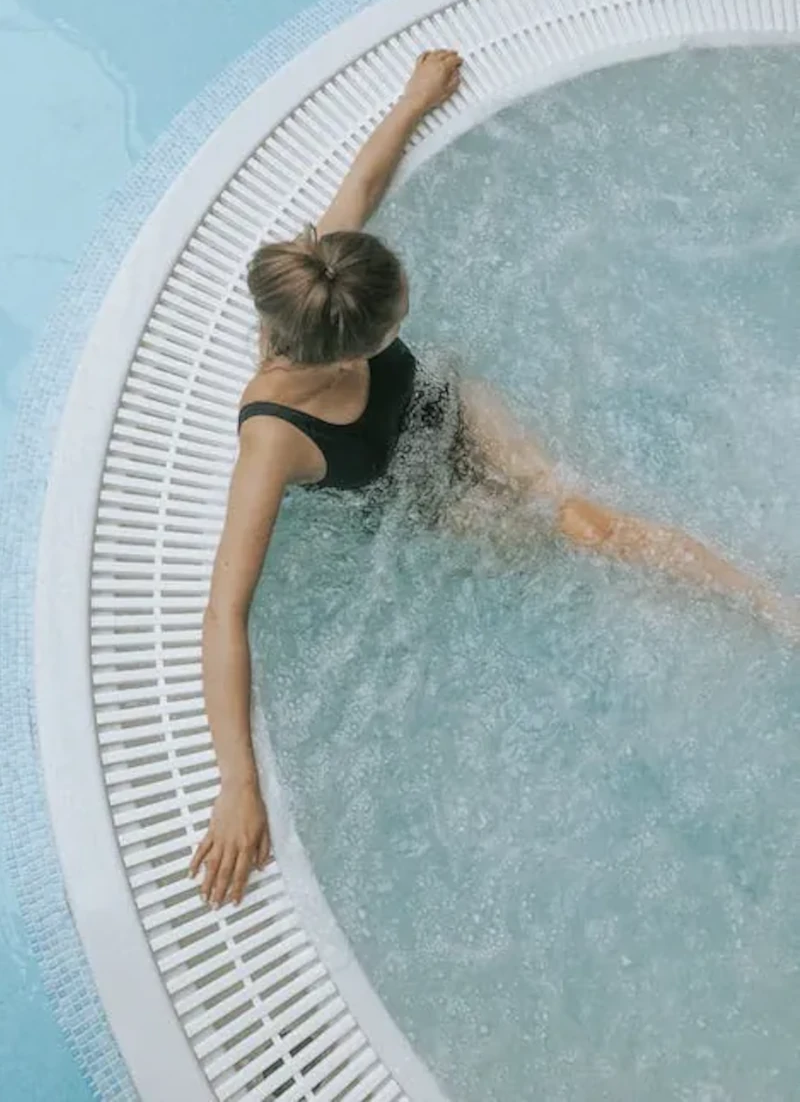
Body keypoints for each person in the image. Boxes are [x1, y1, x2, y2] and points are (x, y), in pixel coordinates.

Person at [190, 49, 797, 909]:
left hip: (458, 409)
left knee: (585, 521)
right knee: (543, 552)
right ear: (354, 347)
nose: (406, 317)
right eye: (396, 320)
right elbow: (226, 608)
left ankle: (771, 603)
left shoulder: (319, 278)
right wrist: (237, 780)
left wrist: (411, 102)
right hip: (420, 496)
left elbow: (360, 184)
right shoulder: (274, 440)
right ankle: (709, 605)